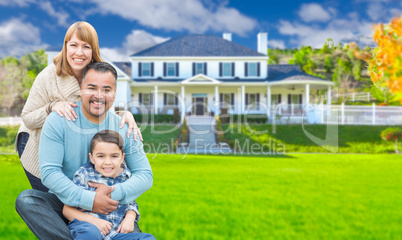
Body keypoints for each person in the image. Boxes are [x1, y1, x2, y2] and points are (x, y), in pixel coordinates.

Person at [15, 62, 153, 240]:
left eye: (106, 89)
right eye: (92, 88)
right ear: (81, 89)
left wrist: (111, 194)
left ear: (114, 92)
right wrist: (90, 200)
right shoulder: (59, 120)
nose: (99, 95)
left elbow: (145, 175)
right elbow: (49, 173)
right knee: (27, 200)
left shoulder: (124, 126)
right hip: (66, 200)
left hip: (112, 205)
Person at [16, 21, 142, 192]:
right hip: (35, 142)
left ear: (93, 50)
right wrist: (51, 107)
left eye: (86, 47)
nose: (79, 52)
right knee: (54, 199)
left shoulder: (98, 73)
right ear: (66, 47)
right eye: (74, 45)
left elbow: (103, 109)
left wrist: (123, 114)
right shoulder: (48, 76)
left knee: (76, 196)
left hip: (71, 147)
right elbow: (28, 118)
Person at [63, 130, 155, 240]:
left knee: (148, 238)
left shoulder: (125, 176)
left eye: (114, 156)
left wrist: (130, 218)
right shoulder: (84, 174)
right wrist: (94, 221)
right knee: (90, 234)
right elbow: (67, 209)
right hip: (87, 226)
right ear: (92, 158)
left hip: (115, 233)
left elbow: (130, 203)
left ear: (122, 158)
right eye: (101, 156)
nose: (107, 162)